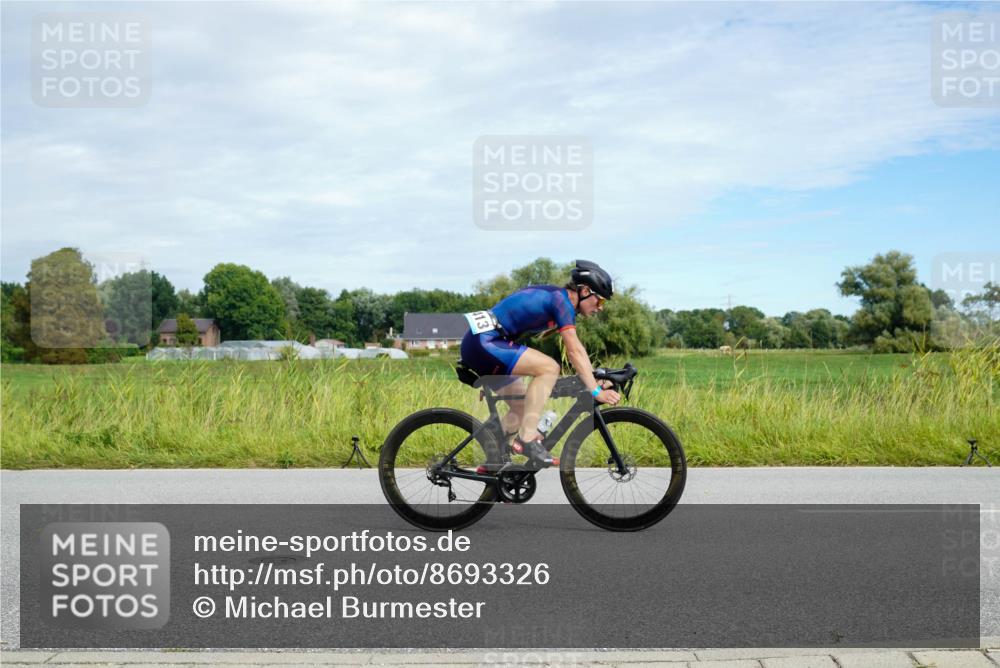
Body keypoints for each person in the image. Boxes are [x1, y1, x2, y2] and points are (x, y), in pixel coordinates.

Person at [459, 260, 621, 469]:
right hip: (484, 343)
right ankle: (527, 439)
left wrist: (593, 377)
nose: (600, 308)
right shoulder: (561, 301)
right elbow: (574, 351)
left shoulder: (559, 299)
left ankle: (494, 461)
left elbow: (578, 351)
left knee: (521, 406)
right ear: (585, 291)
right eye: (600, 300)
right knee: (549, 368)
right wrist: (596, 391)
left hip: (483, 344)